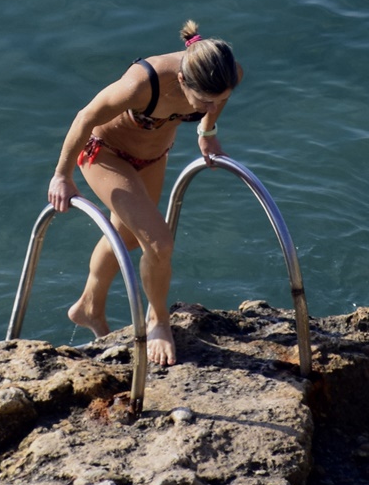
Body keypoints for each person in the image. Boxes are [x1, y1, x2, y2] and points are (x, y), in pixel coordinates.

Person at [48, 20, 242, 366]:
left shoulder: (226, 73)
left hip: (152, 157)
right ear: (182, 80)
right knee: (159, 243)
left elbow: (216, 101)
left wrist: (207, 130)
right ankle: (157, 321)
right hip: (104, 154)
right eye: (203, 101)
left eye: (220, 99)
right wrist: (62, 175)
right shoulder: (142, 84)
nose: (210, 104)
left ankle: (89, 308)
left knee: (130, 236)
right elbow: (84, 117)